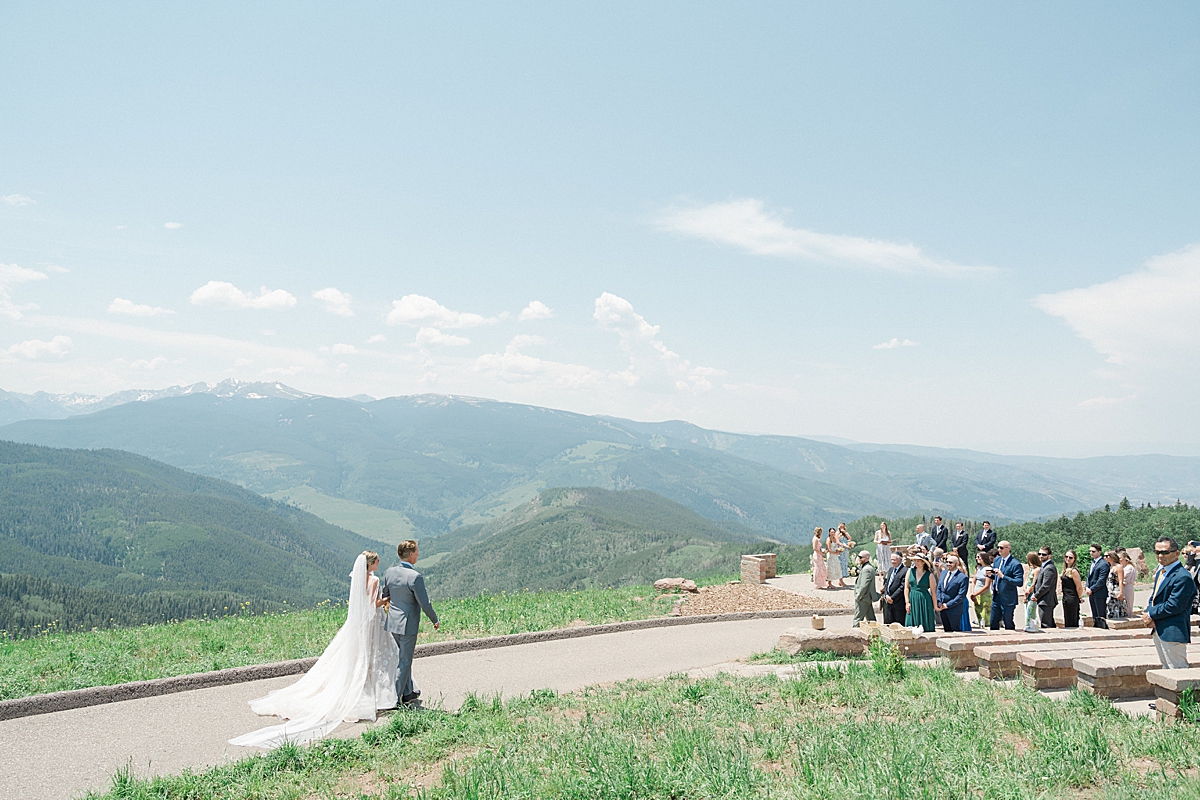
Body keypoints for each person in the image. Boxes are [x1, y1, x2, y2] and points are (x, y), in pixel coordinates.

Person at [230, 551, 400, 748]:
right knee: (373, 655)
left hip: (360, 623)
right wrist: (387, 599)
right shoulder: (374, 580)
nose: (379, 562)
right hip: (373, 622)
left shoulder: (358, 579)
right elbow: (373, 604)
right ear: (371, 564)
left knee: (359, 656)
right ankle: (377, 692)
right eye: (377, 560)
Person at [381, 539, 440, 708]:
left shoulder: (390, 572)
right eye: (417, 552)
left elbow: (386, 594)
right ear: (411, 554)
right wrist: (434, 619)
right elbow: (425, 603)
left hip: (392, 622)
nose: (419, 554)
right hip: (407, 624)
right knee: (405, 661)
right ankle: (395, 699)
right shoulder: (415, 577)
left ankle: (408, 693)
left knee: (402, 659)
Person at [1140, 537, 1198, 669]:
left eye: (1165, 552)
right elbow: (1154, 597)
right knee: (1166, 669)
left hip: (1173, 630)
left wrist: (1150, 614)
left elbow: (1174, 605)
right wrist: (1149, 611)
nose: (1160, 556)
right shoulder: (1162, 572)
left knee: (1178, 670)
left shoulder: (1182, 576)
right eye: (1157, 552)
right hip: (1159, 628)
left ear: (1177, 553)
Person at [989, 541, 1024, 630]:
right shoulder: (997, 560)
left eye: (1001, 548)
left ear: (1008, 548)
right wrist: (990, 575)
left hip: (1008, 598)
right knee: (993, 622)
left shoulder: (1015, 564)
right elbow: (997, 577)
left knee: (1007, 622)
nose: (999, 550)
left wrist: (1003, 576)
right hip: (996, 596)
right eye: (998, 547)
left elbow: (1019, 582)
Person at [935, 554, 970, 632]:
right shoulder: (944, 573)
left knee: (955, 632)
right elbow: (939, 588)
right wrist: (939, 601)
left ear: (957, 564)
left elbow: (961, 596)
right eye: (947, 562)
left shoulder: (962, 577)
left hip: (954, 610)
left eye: (950, 562)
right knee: (946, 631)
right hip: (943, 609)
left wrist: (947, 605)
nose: (948, 564)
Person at [904, 553, 938, 632]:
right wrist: (907, 602)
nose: (916, 562)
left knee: (925, 621)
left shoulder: (929, 575)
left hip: (924, 600)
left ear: (923, 562)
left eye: (918, 561)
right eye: (914, 560)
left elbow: (933, 592)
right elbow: (906, 587)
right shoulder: (910, 571)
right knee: (910, 622)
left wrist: (935, 606)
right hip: (912, 598)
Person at [1084, 543, 1111, 629]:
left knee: (1100, 615)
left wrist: (1091, 589)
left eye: (1093, 551)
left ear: (1099, 552)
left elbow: (1101, 580)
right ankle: (1096, 628)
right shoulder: (1093, 563)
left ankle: (1103, 630)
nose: (1091, 553)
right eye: (1090, 551)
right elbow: (1089, 577)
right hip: (1091, 592)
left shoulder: (1104, 564)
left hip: (1099, 593)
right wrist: (1087, 587)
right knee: (1094, 615)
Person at [1032, 546, 1059, 629]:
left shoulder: (1049, 568)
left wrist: (1036, 595)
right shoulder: (1044, 566)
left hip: (1047, 600)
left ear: (1049, 556)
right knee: (1047, 623)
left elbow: (1046, 585)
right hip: (1043, 600)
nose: (1041, 556)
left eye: (1043, 554)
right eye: (1039, 554)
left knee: (1047, 625)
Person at [852, 550, 880, 625]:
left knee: (857, 619)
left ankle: (855, 634)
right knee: (871, 619)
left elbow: (864, 585)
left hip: (864, 597)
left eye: (860, 557)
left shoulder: (867, 569)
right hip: (867, 597)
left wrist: (858, 596)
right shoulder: (868, 567)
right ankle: (875, 633)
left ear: (867, 558)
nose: (858, 559)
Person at [1060, 550, 1085, 628]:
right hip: (1066, 597)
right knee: (1067, 618)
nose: (1068, 559)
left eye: (1070, 557)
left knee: (1072, 619)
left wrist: (1080, 597)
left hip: (1072, 598)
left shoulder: (1074, 571)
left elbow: (1079, 587)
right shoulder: (1065, 570)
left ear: (1074, 559)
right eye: (1066, 556)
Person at [881, 551, 908, 624]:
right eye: (891, 560)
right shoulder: (890, 570)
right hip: (889, 602)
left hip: (899, 602)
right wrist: (886, 595)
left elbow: (903, 586)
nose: (893, 562)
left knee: (899, 623)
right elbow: (887, 583)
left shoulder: (905, 571)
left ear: (900, 560)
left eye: (894, 560)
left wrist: (893, 598)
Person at [970, 552, 993, 628]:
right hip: (976, 593)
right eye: (976, 557)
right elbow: (974, 581)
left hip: (984, 594)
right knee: (978, 613)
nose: (977, 559)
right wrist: (973, 592)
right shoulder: (977, 568)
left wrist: (975, 594)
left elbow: (987, 585)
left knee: (985, 615)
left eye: (979, 557)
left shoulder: (988, 569)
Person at [1022, 552, 1042, 632]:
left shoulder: (1037, 570)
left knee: (1030, 610)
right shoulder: (1031, 569)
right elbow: (1026, 580)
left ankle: (1031, 625)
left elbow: (1034, 583)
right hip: (1027, 591)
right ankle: (1029, 624)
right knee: (1027, 609)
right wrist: (1024, 589)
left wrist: (1029, 591)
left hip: (1032, 592)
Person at [1104, 551, 1125, 620]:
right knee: (1109, 606)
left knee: (1115, 606)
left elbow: (1121, 580)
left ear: (1112, 557)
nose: (1105, 558)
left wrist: (1121, 592)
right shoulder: (1109, 566)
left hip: (1115, 589)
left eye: (1107, 556)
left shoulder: (1118, 567)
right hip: (1109, 589)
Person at [1119, 551, 1138, 618]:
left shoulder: (1129, 568)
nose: (1119, 560)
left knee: (1128, 602)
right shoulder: (1124, 567)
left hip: (1128, 587)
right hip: (1124, 587)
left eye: (1120, 558)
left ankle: (1128, 615)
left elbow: (1125, 578)